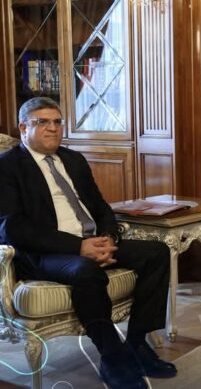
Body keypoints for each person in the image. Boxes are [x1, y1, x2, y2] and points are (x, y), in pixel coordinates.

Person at [0, 97, 177, 388]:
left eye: (57, 122)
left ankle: (136, 344)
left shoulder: (73, 160)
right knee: (86, 271)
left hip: (92, 240)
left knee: (156, 253)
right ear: (23, 128)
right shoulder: (7, 167)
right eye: (42, 122)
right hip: (46, 252)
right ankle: (112, 357)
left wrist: (108, 238)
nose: (53, 128)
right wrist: (78, 247)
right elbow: (13, 228)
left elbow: (100, 206)